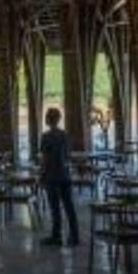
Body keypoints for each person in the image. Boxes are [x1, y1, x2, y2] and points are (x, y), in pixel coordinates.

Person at [38, 105, 79, 246]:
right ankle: (74, 235)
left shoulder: (46, 136)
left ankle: (57, 236)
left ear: (48, 120)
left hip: (52, 176)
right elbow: (68, 155)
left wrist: (41, 174)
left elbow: (45, 158)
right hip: (65, 175)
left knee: (55, 208)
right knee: (69, 206)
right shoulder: (65, 135)